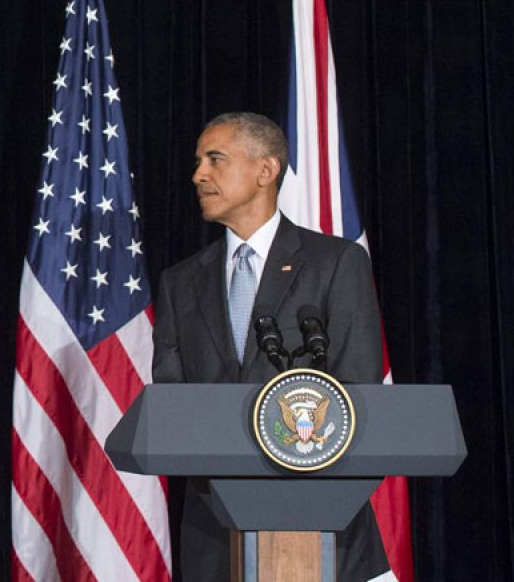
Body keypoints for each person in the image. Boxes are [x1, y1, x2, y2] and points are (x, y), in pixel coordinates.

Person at [152, 112, 390, 581]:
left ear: (265, 170)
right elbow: (173, 401)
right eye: (199, 162)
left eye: (215, 159)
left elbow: (358, 389)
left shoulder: (335, 262)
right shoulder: (180, 282)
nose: (199, 175)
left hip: (319, 521)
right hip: (213, 533)